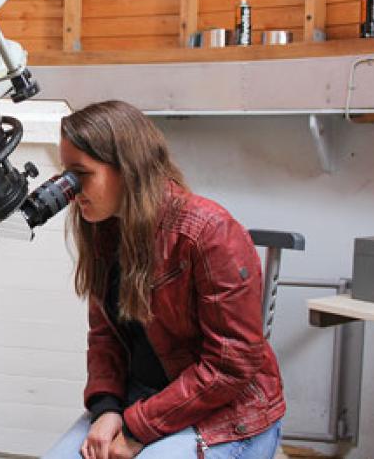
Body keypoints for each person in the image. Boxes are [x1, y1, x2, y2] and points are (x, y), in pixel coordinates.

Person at [43, 101, 285, 459]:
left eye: (82, 174)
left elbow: (230, 365)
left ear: (127, 168)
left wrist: (138, 428)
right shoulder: (105, 231)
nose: (71, 191)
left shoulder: (209, 233)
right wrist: (108, 409)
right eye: (67, 174)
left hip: (227, 415)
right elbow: (105, 336)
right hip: (142, 399)